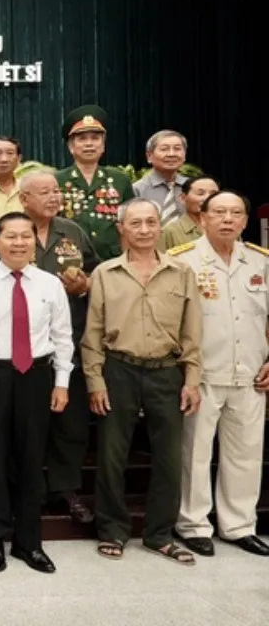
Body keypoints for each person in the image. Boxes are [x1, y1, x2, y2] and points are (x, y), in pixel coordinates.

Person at [81, 198, 202, 565]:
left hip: (167, 372)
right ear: (122, 229)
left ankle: (159, 534)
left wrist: (192, 378)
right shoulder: (105, 272)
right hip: (119, 369)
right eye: (136, 223)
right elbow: (93, 332)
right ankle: (113, 530)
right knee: (112, 456)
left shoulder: (181, 272)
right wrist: (95, 381)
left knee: (168, 458)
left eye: (151, 222)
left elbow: (192, 332)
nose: (145, 230)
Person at [0, 212, 73, 574]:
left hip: (36, 377)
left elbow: (63, 336)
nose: (19, 243)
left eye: (26, 236)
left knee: (31, 459)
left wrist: (62, 382)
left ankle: (29, 543)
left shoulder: (50, 284)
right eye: (10, 236)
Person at [172, 192, 269, 558]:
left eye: (235, 213)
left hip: (250, 375)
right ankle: (193, 524)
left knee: (246, 454)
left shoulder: (260, 262)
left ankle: (239, 525)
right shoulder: (182, 261)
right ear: (203, 218)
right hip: (201, 375)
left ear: (245, 221)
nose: (227, 219)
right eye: (219, 213)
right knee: (194, 452)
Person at [20, 170, 100, 525]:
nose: (53, 197)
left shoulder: (73, 231)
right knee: (29, 422)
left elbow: (96, 272)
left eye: (56, 191)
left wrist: (84, 286)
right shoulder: (12, 231)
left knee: (71, 424)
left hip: (71, 339)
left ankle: (66, 490)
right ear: (24, 199)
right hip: (27, 344)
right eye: (44, 192)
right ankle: (30, 491)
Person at [55, 106, 135, 261]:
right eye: (82, 139)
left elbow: (129, 223)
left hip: (112, 259)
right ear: (71, 147)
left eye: (95, 138)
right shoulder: (58, 180)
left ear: (103, 145)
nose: (89, 144)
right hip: (69, 259)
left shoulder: (120, 179)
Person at [133, 130, 190, 224]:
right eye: (164, 149)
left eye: (177, 149)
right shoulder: (137, 190)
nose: (172, 154)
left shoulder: (193, 187)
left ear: (184, 155)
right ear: (149, 156)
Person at [157, 175, 219, 251]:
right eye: (200, 194)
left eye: (213, 194)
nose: (207, 198)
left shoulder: (227, 227)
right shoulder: (169, 232)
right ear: (183, 198)